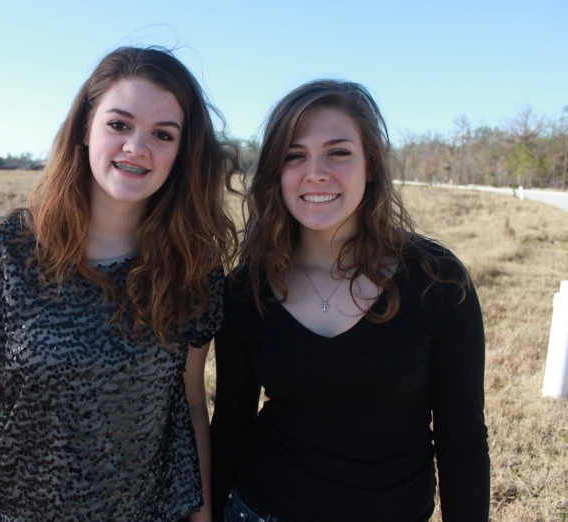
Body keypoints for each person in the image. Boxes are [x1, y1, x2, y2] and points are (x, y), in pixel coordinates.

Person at [0, 46, 239, 522]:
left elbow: (188, 403)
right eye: (119, 124)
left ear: (183, 152)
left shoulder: (193, 266)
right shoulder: (0, 253)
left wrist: (201, 517)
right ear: (85, 128)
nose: (137, 147)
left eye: (162, 134)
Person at [210, 80, 490, 522]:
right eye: (294, 155)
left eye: (338, 152)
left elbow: (463, 437)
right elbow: (230, 423)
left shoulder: (438, 281)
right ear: (275, 174)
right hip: (258, 510)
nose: (315, 172)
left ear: (371, 166)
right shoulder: (248, 290)